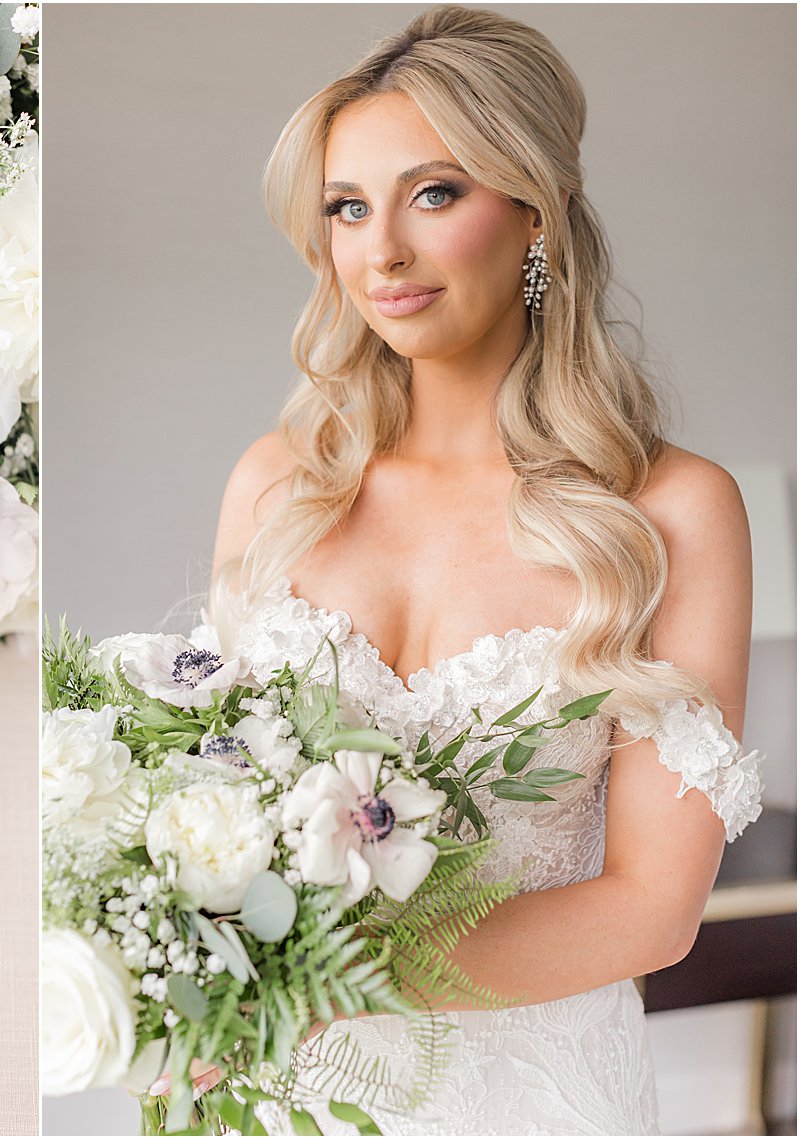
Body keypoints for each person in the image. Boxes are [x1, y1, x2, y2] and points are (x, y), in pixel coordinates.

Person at [160, 6, 765, 1134]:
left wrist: (311, 986)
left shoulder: (670, 512)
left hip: (532, 1098)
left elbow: (649, 906)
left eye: (432, 194)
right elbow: (215, 798)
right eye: (347, 207)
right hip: (272, 1091)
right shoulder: (277, 488)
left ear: (534, 213)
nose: (379, 250)